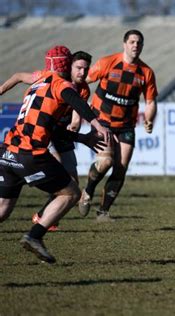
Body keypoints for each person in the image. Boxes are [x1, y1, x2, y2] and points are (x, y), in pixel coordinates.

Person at [0, 45, 112, 263]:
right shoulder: (62, 84)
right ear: (68, 64)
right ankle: (34, 236)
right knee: (70, 193)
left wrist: (83, 138)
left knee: (3, 209)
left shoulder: (39, 80)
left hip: (7, 152)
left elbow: (52, 127)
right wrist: (98, 124)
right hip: (30, 154)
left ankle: (36, 232)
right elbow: (76, 101)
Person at [0, 49, 93, 231]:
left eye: (86, 69)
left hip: (61, 131)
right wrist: (1, 90)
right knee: (59, 173)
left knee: (71, 179)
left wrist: (75, 130)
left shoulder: (82, 90)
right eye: (78, 68)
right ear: (68, 66)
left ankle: (45, 216)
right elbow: (19, 75)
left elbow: (75, 118)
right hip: (42, 133)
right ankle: (42, 225)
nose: (82, 73)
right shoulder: (47, 77)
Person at [78, 29, 158, 222]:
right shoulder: (107, 63)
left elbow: (150, 102)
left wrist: (149, 119)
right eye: (132, 42)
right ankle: (87, 191)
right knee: (106, 162)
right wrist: (78, 106)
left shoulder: (146, 72)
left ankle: (103, 212)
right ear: (124, 44)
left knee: (121, 168)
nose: (135, 45)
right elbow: (81, 82)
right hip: (102, 121)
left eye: (139, 42)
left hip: (126, 126)